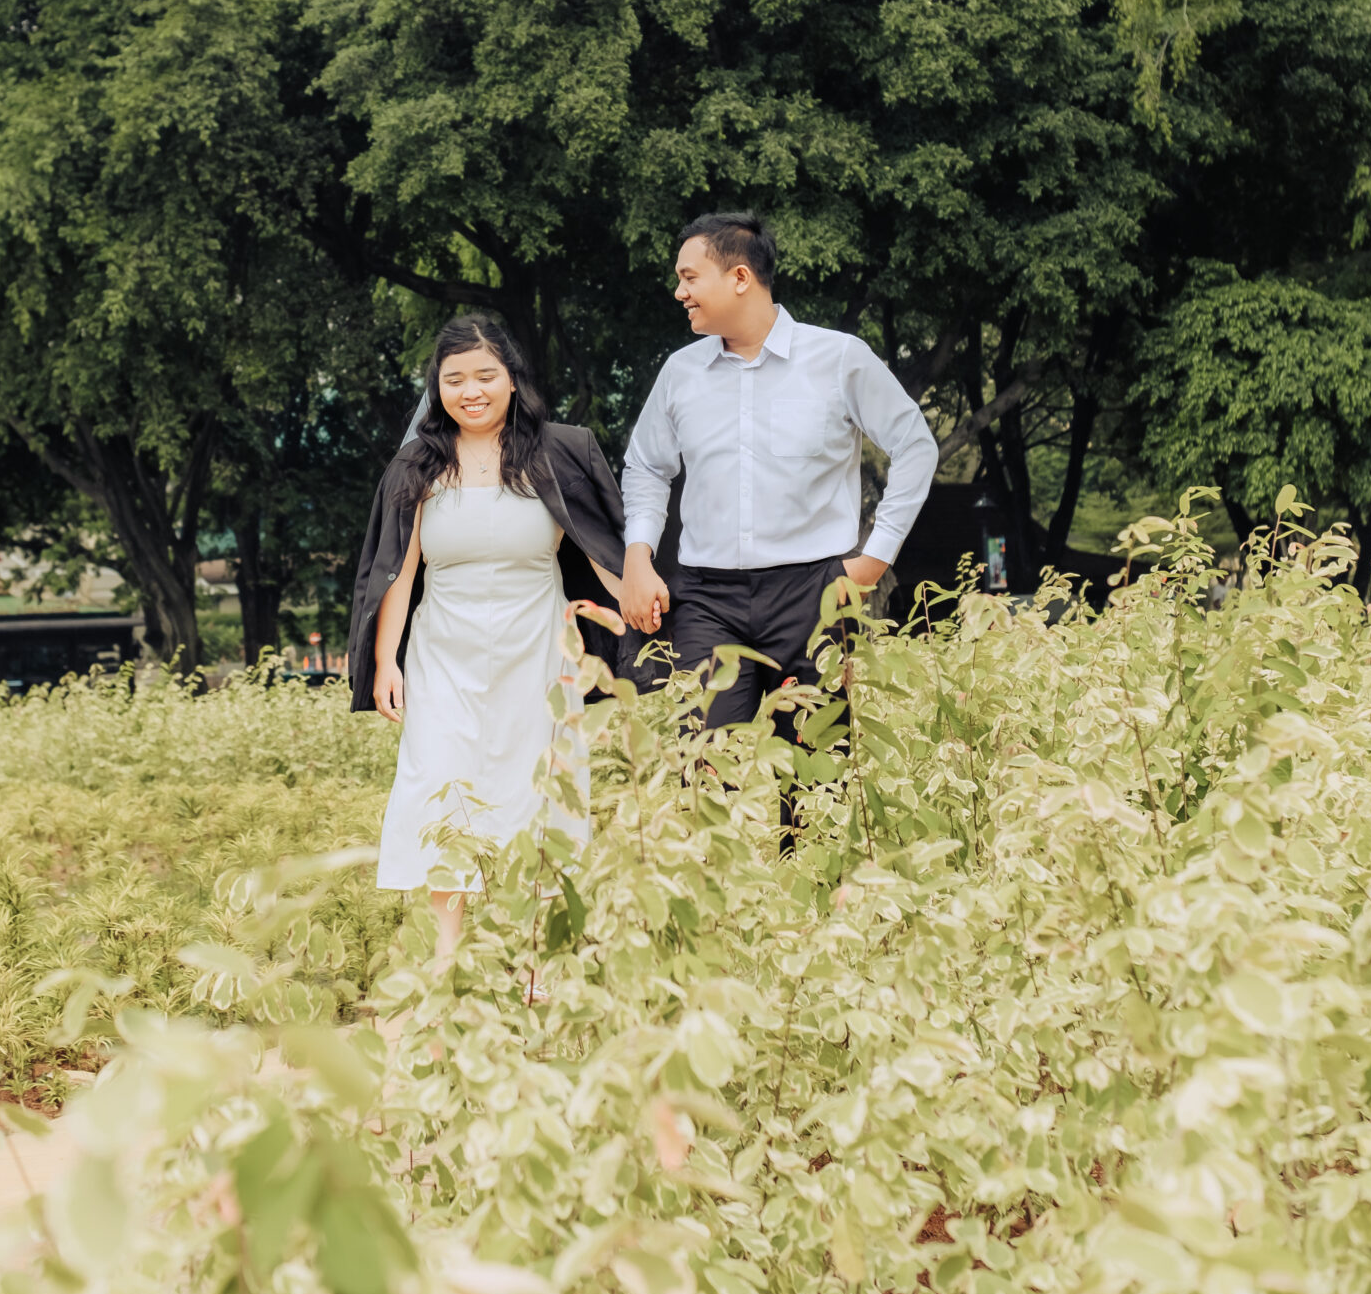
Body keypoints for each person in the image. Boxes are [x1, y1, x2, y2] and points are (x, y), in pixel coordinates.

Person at [348, 316, 626, 962]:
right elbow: (398, 571)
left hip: (540, 652)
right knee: (441, 786)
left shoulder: (561, 451)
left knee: (541, 788)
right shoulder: (417, 465)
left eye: (484, 376)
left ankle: (539, 956)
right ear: (437, 387)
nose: (470, 391)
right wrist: (386, 661)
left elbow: (603, 546)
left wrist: (639, 603)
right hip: (443, 652)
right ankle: (447, 959)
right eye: (454, 380)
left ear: (511, 379)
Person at [618, 211, 939, 761]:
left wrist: (872, 562)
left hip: (814, 594)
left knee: (815, 778)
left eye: (690, 278)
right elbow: (647, 467)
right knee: (707, 771)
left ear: (740, 277)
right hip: (706, 599)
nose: (679, 292)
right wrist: (638, 557)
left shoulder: (839, 359)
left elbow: (916, 445)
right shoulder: (679, 373)